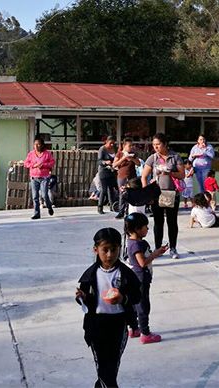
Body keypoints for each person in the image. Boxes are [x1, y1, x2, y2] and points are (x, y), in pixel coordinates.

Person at [75, 228, 141, 388]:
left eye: (114, 250)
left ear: (120, 248)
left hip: (118, 325)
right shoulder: (91, 275)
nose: (110, 255)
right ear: (95, 250)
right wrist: (82, 297)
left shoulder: (125, 274)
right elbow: (86, 298)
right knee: (103, 369)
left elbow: (137, 296)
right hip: (96, 325)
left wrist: (123, 299)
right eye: (105, 250)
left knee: (111, 367)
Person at [124, 213, 168, 344]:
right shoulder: (137, 245)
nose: (147, 229)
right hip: (140, 279)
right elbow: (142, 263)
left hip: (134, 278)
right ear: (137, 229)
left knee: (134, 304)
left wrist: (157, 252)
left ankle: (134, 328)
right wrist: (155, 254)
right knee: (143, 306)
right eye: (145, 227)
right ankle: (145, 333)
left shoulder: (130, 241)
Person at [141, 133, 185, 259]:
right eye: (154, 145)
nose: (156, 147)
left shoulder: (175, 157)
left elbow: (182, 175)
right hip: (157, 194)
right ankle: (158, 248)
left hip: (172, 193)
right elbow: (144, 176)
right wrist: (146, 193)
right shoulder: (152, 158)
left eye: (158, 144)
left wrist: (170, 172)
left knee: (172, 222)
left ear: (165, 144)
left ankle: (173, 248)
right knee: (158, 222)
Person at [24, 136, 55, 220]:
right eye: (35, 144)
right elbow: (26, 163)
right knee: (35, 196)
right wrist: (33, 165)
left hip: (44, 177)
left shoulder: (47, 153)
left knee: (44, 195)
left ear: (42, 145)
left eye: (38, 144)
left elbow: (52, 163)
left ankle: (49, 206)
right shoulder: (31, 154)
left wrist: (43, 165)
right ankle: (37, 213)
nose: (36, 146)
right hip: (34, 177)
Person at [113, 137, 140, 219]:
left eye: (132, 145)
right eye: (129, 146)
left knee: (131, 193)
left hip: (132, 177)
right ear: (124, 146)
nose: (131, 147)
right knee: (122, 193)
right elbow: (114, 165)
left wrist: (132, 158)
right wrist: (124, 158)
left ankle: (129, 211)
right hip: (122, 176)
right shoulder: (119, 154)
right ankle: (121, 211)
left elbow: (138, 164)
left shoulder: (134, 154)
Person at [97, 136, 118, 214]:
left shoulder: (115, 148)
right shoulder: (102, 149)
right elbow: (99, 161)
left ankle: (112, 205)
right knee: (104, 190)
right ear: (106, 142)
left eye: (113, 143)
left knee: (111, 189)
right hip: (104, 171)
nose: (112, 145)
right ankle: (100, 207)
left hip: (112, 171)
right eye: (110, 143)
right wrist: (105, 162)